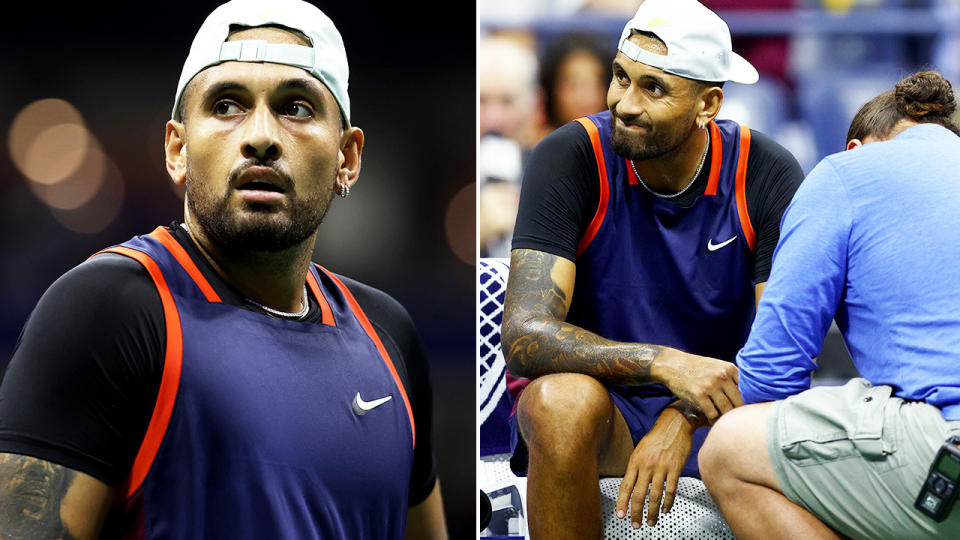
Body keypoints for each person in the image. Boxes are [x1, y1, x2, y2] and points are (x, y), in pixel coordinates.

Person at [0, 1, 447, 538]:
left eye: (297, 108)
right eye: (228, 105)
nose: (261, 135)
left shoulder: (389, 334)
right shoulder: (106, 310)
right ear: (178, 149)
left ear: (347, 159)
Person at [500, 0, 804, 537]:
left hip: (723, 412)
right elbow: (525, 335)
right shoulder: (569, 156)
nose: (624, 103)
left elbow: (779, 352)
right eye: (621, 77)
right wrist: (664, 364)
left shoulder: (765, 171)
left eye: (654, 88)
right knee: (557, 401)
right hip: (605, 412)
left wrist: (681, 416)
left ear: (708, 104)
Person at [698, 71, 960, 539]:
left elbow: (771, 374)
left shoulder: (846, 172)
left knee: (730, 449)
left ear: (856, 148)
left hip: (943, 451)